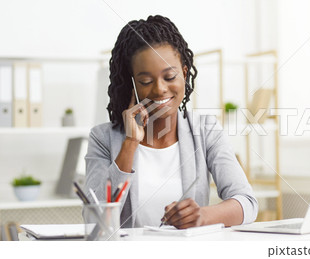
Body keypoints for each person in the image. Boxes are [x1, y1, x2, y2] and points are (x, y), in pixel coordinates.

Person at [84, 15, 258, 229]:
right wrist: (130, 143)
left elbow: (247, 204)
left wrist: (202, 216)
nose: (160, 89)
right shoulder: (102, 139)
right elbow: (95, 221)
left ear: (184, 74)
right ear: (132, 85)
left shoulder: (205, 131)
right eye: (146, 81)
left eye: (169, 77)